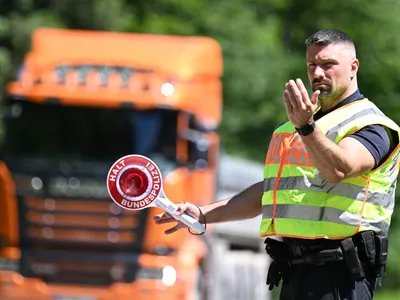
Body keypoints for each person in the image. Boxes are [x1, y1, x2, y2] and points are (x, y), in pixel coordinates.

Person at [153, 28, 400, 300]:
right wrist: (203, 213)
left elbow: (340, 169)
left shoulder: (372, 126)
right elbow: (272, 191)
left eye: (328, 65)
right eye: (312, 65)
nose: (318, 73)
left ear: (354, 67)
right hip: (294, 272)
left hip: (341, 277)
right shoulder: (296, 126)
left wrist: (306, 127)